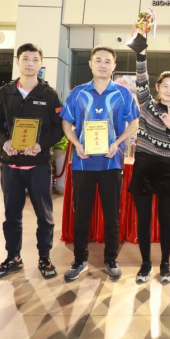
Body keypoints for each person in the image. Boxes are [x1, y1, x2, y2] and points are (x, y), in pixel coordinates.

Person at [60, 46, 140, 282]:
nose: (103, 65)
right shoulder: (78, 93)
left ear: (114, 66)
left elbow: (134, 123)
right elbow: (66, 123)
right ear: (91, 64)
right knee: (81, 215)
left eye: (107, 61)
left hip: (111, 163)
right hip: (83, 164)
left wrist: (117, 143)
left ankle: (111, 260)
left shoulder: (123, 94)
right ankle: (79, 260)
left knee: (112, 214)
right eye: (98, 60)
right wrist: (76, 143)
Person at [0, 43, 64, 280]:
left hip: (38, 165)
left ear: (41, 63)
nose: (30, 64)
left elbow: (58, 128)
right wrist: (4, 141)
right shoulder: (5, 92)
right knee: (12, 215)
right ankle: (13, 258)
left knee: (45, 216)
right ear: (17, 61)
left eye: (35, 60)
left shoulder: (49, 94)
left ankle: (45, 258)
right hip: (10, 165)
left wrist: (41, 144)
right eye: (26, 59)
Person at [127, 36, 170, 284]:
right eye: (165, 85)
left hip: (167, 170)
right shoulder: (147, 105)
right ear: (158, 87)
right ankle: (145, 264)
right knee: (143, 219)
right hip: (143, 167)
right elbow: (141, 81)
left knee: (165, 220)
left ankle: (165, 264)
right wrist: (141, 55)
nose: (169, 90)